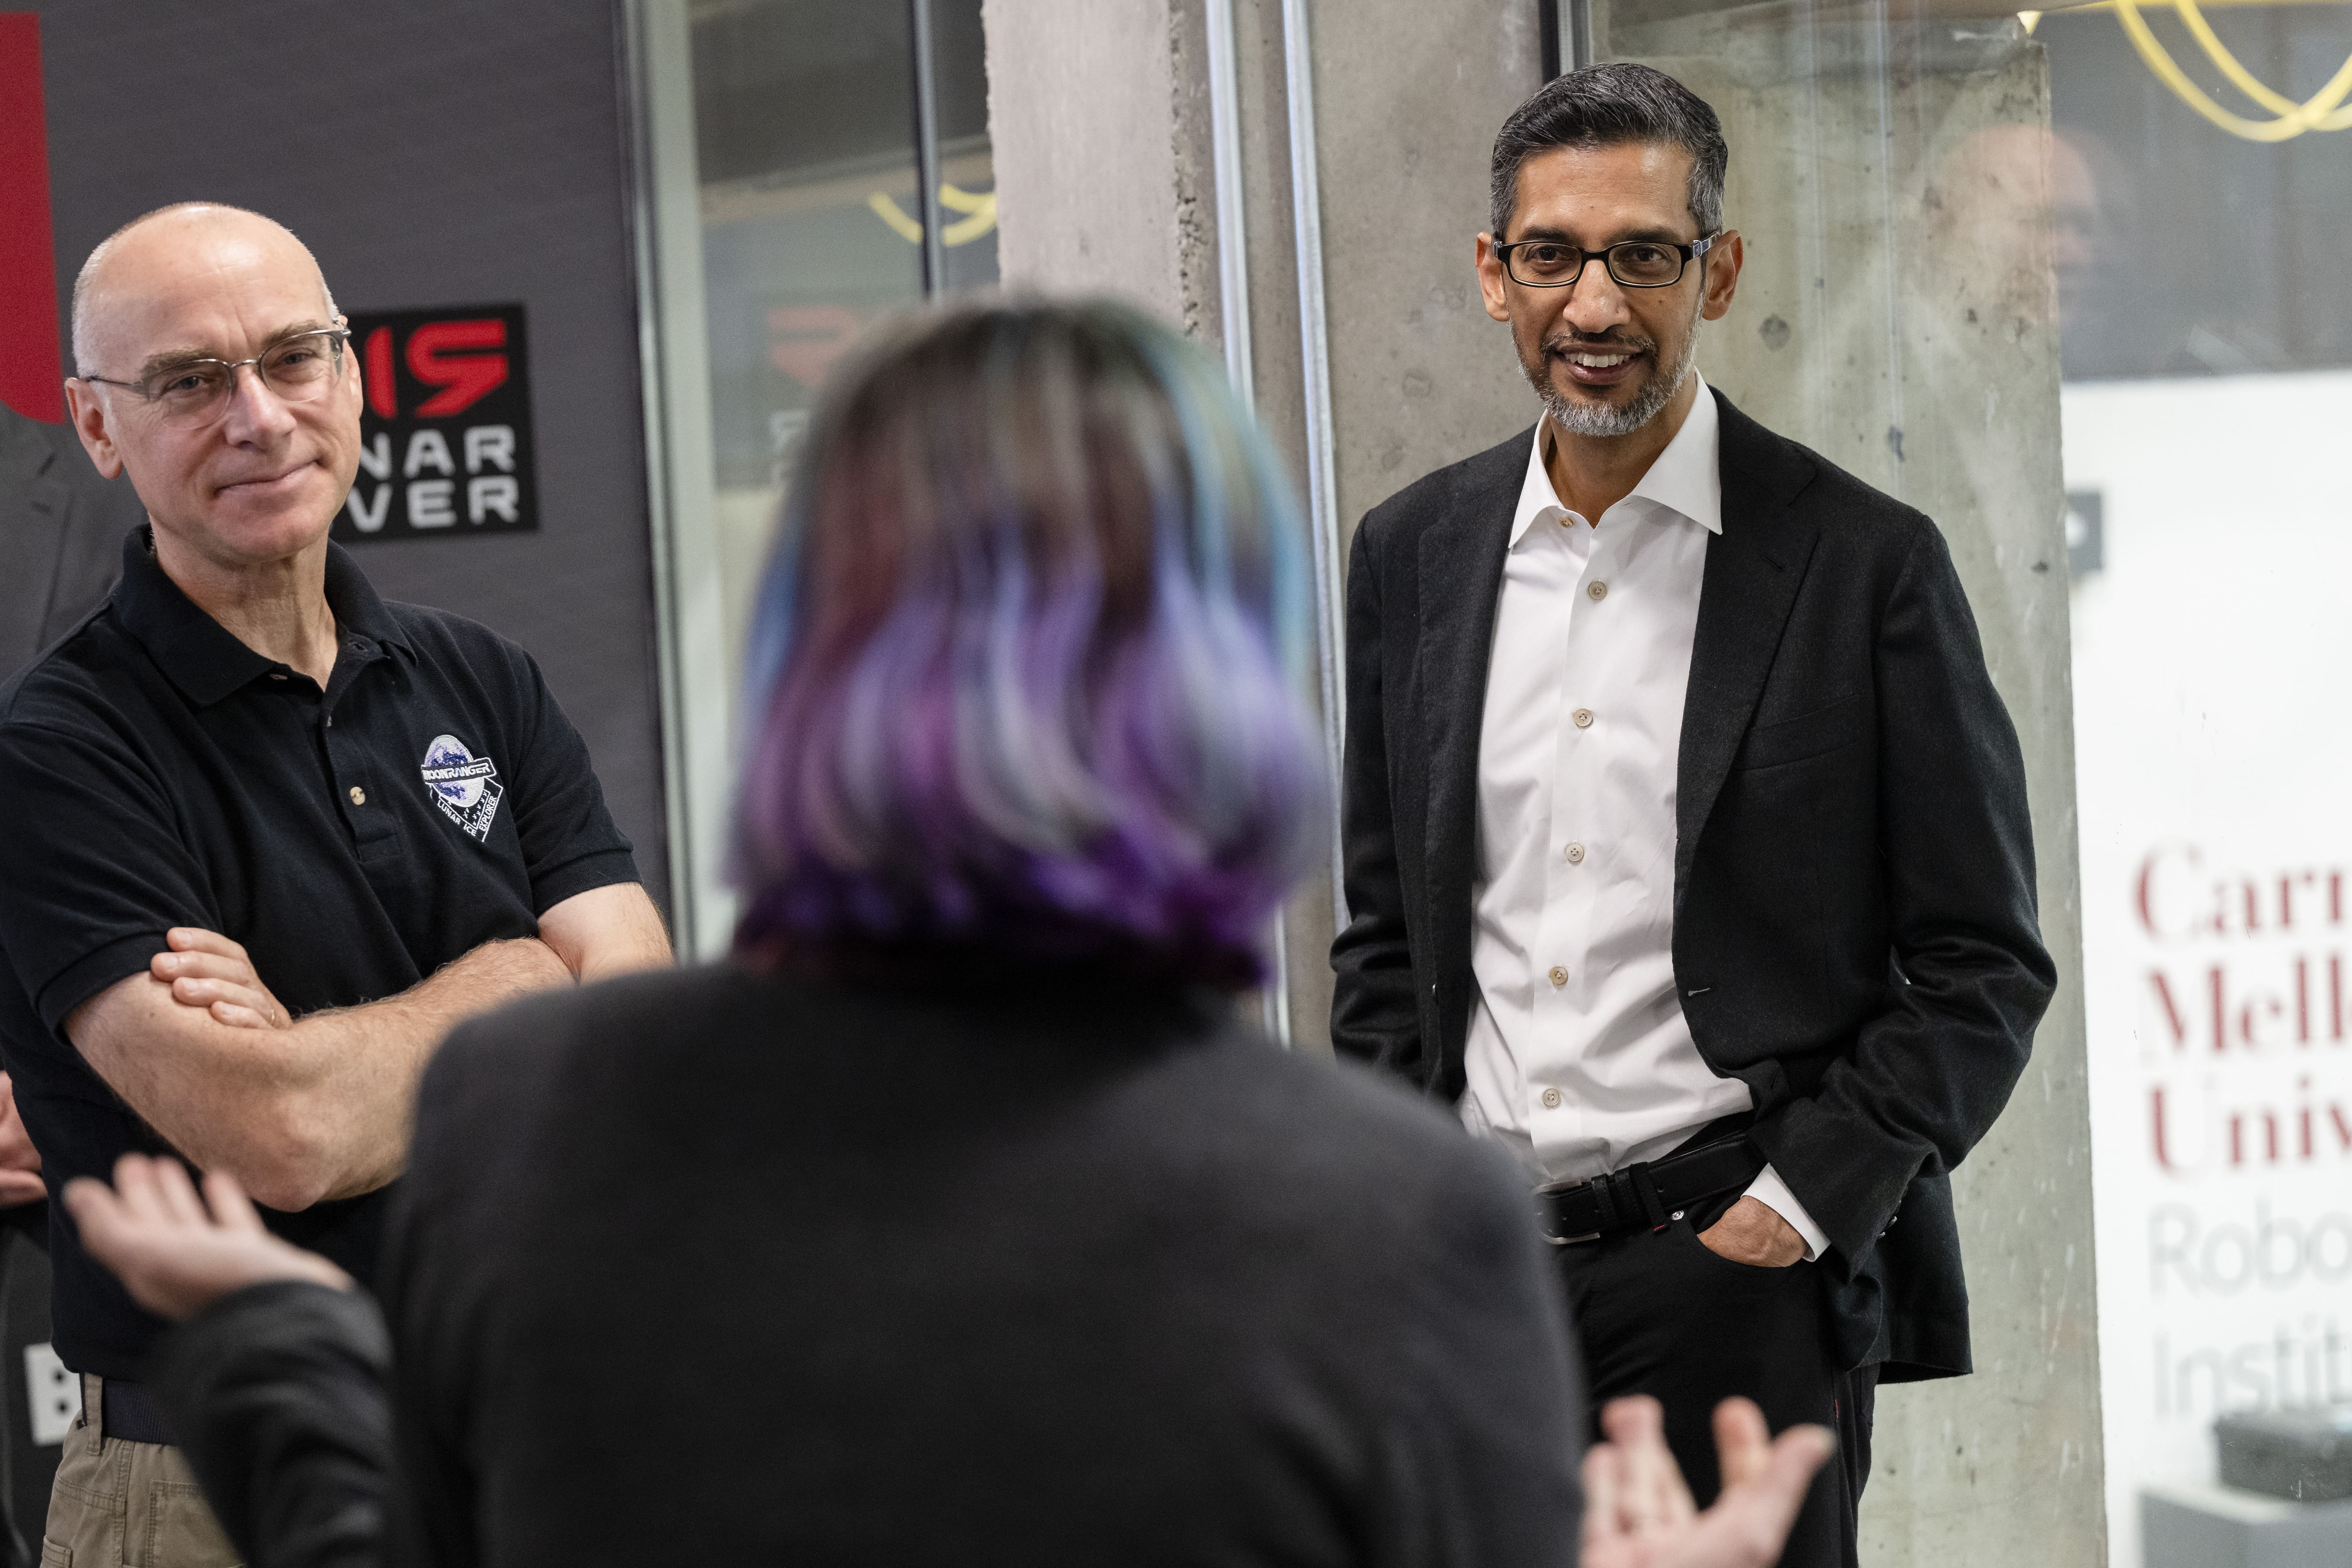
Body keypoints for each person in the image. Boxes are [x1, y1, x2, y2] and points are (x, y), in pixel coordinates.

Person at [62, 300, 1831, 1567]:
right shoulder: (1386, 1216)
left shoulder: (532, 1119)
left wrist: (276, 1347)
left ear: (810, 644)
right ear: (1226, 666)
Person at [1328, 64, 2056, 1568]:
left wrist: (1797, 1212)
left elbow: (1982, 963)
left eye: (1641, 256)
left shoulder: (1861, 567)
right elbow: (1385, 934)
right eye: (1551, 255)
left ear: (1713, 271)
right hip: (1480, 1288)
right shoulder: (1408, 557)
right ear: (1491, 275)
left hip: (1729, 1274)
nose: (1592, 305)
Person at [0, 202, 673, 1567]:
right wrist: (528, 970)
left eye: (294, 357)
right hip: (209, 1488)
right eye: (188, 382)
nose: (257, 415)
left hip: (512, 1451)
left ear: (355, 376)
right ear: (96, 427)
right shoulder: (59, 751)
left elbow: (636, 1048)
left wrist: (319, 1045)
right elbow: (285, 1139)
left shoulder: (484, 677)